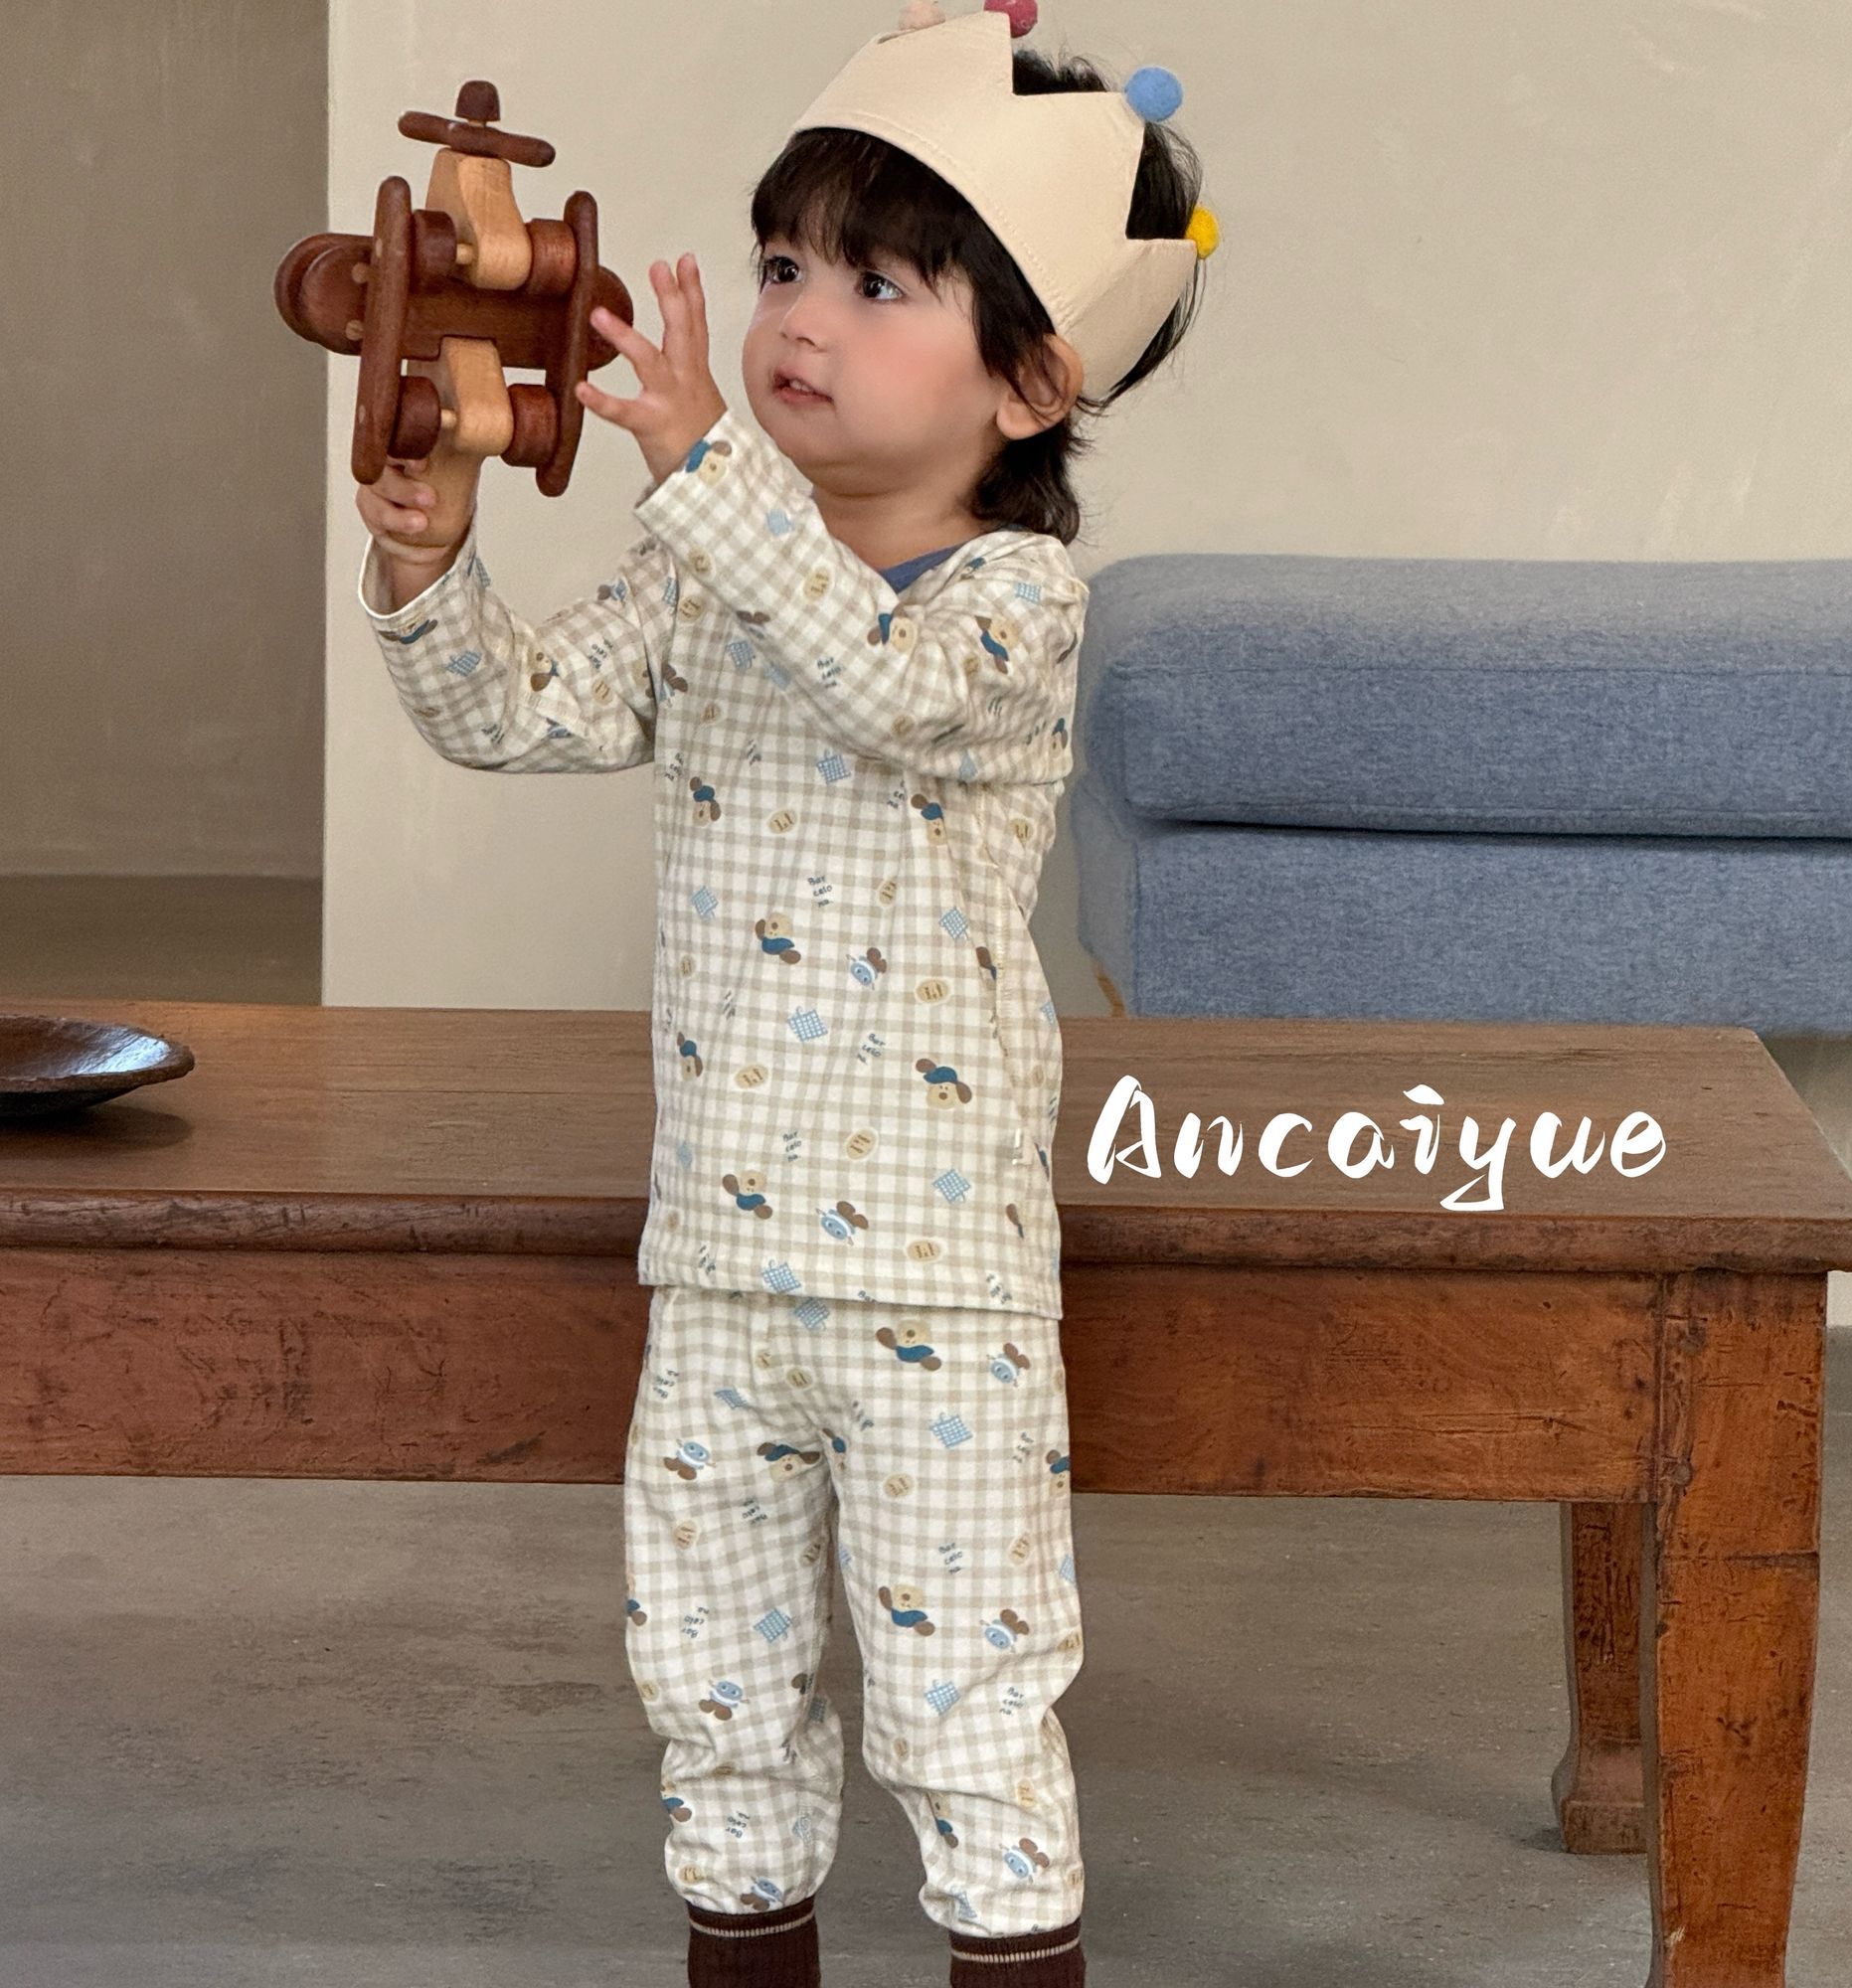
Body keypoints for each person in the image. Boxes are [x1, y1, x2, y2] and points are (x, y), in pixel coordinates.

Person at [352, 7, 1216, 1981]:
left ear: (1031, 381)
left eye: (877, 285)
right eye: (779, 267)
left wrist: (699, 467)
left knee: (964, 1699)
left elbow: (881, 686)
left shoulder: (1015, 607)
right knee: (713, 1689)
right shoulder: (706, 573)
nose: (798, 318)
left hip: (936, 1286)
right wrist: (430, 568)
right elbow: (517, 714)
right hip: (721, 1269)